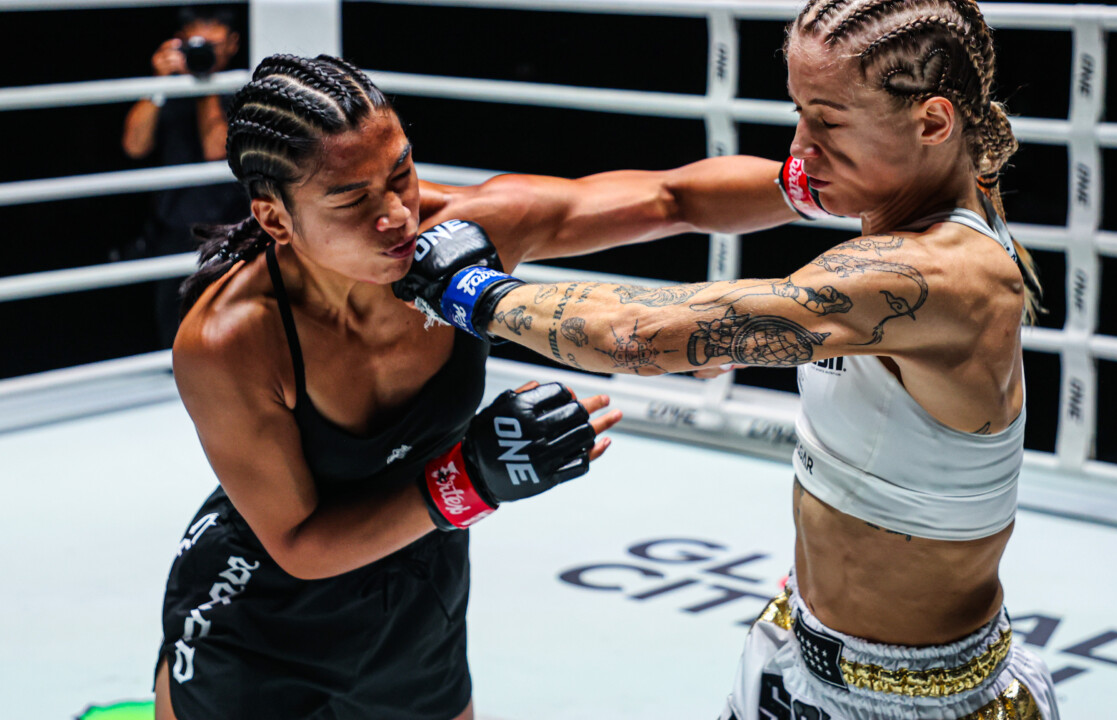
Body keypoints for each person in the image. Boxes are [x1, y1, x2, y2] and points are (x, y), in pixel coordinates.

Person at [399, 0, 1061, 720]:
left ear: (933, 123)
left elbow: (636, 336)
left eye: (828, 120)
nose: (802, 148)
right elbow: (673, 197)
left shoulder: (935, 274)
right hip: (801, 642)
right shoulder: (901, 180)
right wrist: (443, 209)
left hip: (910, 703)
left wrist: (463, 289)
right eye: (800, 113)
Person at [157, 53, 792, 720]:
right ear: (276, 218)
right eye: (352, 199)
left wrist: (816, 185)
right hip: (257, 621)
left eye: (401, 173)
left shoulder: (468, 229)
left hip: (420, 594)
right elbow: (299, 543)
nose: (397, 215)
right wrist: (469, 481)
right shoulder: (230, 340)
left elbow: (672, 198)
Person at [121, 8, 246, 348]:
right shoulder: (170, 89)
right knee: (175, 341)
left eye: (212, 45)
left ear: (233, 43)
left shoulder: (243, 88)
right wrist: (159, 83)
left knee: (229, 338)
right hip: (174, 232)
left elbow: (216, 148)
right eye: (196, 45)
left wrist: (206, 83)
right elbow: (134, 146)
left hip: (231, 230)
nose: (204, 53)